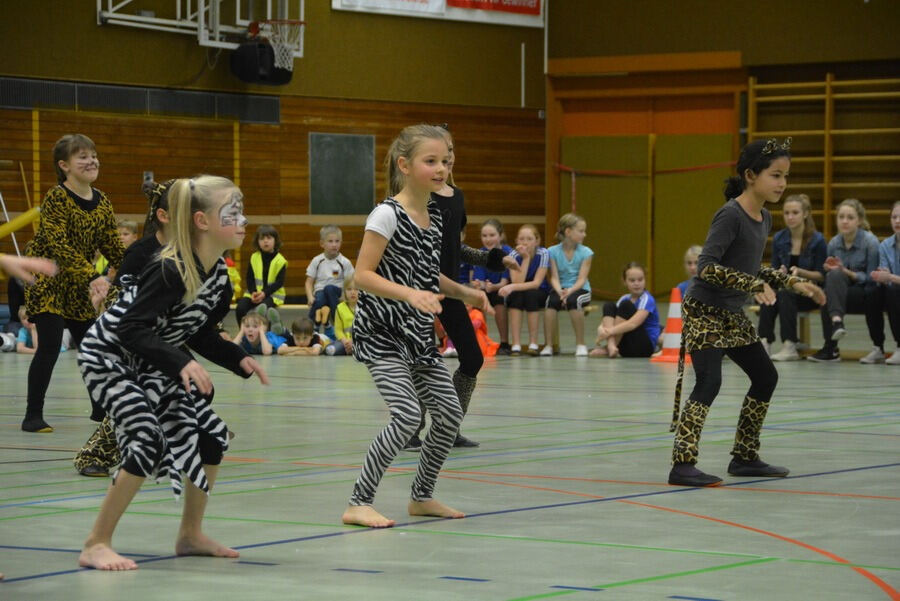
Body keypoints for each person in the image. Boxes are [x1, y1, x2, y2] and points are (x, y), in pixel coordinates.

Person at [76, 175, 268, 571]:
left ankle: (190, 535)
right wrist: (181, 361)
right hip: (109, 355)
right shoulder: (171, 269)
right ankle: (96, 543)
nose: (244, 220)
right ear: (201, 221)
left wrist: (237, 358)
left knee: (211, 438)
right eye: (233, 213)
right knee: (147, 438)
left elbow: (195, 330)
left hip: (149, 355)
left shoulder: (216, 276)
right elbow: (130, 328)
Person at [341, 124, 491, 528]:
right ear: (404, 165)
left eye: (445, 160)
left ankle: (421, 496)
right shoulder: (386, 215)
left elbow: (429, 275)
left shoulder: (435, 217)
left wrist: (465, 293)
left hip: (416, 337)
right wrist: (409, 295)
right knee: (407, 415)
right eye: (431, 161)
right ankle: (359, 501)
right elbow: (362, 275)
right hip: (381, 335)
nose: (441, 168)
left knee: (447, 412)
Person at [668, 137, 825, 487]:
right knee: (710, 382)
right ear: (751, 175)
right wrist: (752, 285)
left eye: (786, 176)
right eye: (775, 175)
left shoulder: (765, 217)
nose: (782, 183)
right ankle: (682, 464)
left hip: (731, 313)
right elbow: (706, 268)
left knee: (766, 377)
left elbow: (753, 268)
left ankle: (744, 456)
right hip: (705, 310)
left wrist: (793, 283)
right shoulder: (730, 215)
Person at [405, 125, 515, 450]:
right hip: (421, 292)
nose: (446, 158)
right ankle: (411, 428)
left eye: (450, 150)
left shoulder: (458, 197)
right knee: (423, 361)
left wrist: (493, 259)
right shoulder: (417, 199)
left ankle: (448, 428)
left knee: (472, 358)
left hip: (450, 291)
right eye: (438, 152)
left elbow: (454, 249)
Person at [22, 134, 126, 433]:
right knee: (51, 344)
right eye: (82, 156)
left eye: (93, 155)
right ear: (64, 165)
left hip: (79, 282)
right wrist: (93, 275)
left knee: (93, 346)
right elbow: (57, 243)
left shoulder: (102, 200)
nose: (91, 161)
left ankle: (99, 409)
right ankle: (33, 415)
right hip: (49, 278)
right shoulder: (56, 197)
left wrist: (138, 265)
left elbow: (111, 244)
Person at [75, 179, 175, 478]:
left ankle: (163, 446)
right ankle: (95, 455)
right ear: (163, 214)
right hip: (132, 332)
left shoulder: (184, 248)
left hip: (162, 331)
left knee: (184, 390)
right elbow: (121, 296)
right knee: (141, 394)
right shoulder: (142, 251)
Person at [807, 198, 882, 363]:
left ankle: (835, 344)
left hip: (865, 293)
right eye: (841, 217)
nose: (845, 221)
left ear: (859, 220)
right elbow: (832, 276)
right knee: (830, 283)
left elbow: (872, 277)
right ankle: (834, 336)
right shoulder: (834, 242)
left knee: (834, 289)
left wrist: (846, 272)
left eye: (850, 217)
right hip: (840, 294)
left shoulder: (871, 242)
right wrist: (830, 269)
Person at [756, 194, 827, 361]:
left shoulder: (818, 240)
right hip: (786, 290)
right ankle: (764, 341)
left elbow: (822, 275)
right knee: (770, 290)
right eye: (786, 213)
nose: (790, 217)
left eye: (795, 212)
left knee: (784, 293)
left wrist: (801, 272)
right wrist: (779, 272)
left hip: (810, 293)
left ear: (805, 214)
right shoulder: (780, 238)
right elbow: (773, 270)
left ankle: (789, 345)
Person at [543, 213, 593, 357]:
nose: (584, 234)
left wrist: (569, 292)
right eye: (581, 231)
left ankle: (580, 344)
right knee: (550, 302)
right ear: (568, 232)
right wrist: (560, 292)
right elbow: (554, 277)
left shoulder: (586, 253)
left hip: (580, 289)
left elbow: (582, 279)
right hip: (560, 288)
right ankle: (548, 345)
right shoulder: (552, 251)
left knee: (574, 301)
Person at [499, 224, 550, 356]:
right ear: (516, 241)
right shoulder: (513, 255)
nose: (525, 242)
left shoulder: (543, 253)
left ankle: (533, 343)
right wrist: (526, 258)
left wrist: (511, 286)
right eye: (521, 239)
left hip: (539, 291)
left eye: (529, 239)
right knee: (516, 296)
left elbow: (536, 283)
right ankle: (516, 343)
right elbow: (518, 281)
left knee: (530, 294)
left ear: (537, 241)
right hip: (519, 290)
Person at [591, 262, 661, 358]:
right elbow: (610, 318)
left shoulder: (647, 299)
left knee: (625, 306)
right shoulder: (624, 298)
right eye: (632, 280)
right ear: (625, 282)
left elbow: (633, 323)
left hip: (644, 347)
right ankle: (611, 346)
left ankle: (610, 347)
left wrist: (608, 331)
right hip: (626, 347)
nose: (637, 283)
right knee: (609, 305)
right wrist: (601, 329)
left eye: (640, 280)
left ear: (645, 280)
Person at [471, 218, 514, 355]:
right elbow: (478, 280)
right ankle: (480, 341)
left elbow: (505, 281)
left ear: (500, 236)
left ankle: (504, 342)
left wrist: (493, 287)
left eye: (492, 235)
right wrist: (481, 285)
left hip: (503, 289)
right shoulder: (480, 254)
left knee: (499, 301)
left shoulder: (508, 253)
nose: (488, 239)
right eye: (484, 236)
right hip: (488, 289)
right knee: (477, 300)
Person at [305, 225, 355, 338]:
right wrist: (309, 297)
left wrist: (344, 296)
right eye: (330, 241)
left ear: (341, 243)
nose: (334, 244)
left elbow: (350, 282)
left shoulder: (344, 262)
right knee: (320, 298)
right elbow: (309, 282)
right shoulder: (317, 260)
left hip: (337, 293)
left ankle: (336, 323)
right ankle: (309, 328)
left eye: (337, 241)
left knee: (329, 288)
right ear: (322, 243)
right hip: (320, 293)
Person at [235, 224, 286, 326]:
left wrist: (264, 293)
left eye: (269, 238)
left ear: (275, 240)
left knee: (263, 310)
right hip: (254, 293)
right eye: (262, 238)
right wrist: (253, 292)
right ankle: (243, 333)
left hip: (272, 295)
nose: (265, 241)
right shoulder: (254, 257)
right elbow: (249, 278)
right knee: (240, 308)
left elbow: (279, 283)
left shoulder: (281, 260)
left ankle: (265, 335)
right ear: (257, 241)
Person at [871, 201, 900, 365]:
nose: (897, 221)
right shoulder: (885, 245)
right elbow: (885, 273)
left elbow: (890, 277)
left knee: (893, 290)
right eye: (894, 217)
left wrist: (890, 278)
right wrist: (880, 276)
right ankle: (878, 347)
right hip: (894, 290)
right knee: (873, 293)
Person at [325, 276, 358, 356]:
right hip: (345, 341)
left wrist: (353, 341)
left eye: (356, 289)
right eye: (349, 289)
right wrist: (345, 341)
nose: (352, 292)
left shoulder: (365, 306)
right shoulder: (340, 308)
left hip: (360, 340)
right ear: (344, 292)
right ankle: (352, 350)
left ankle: (354, 349)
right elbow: (338, 330)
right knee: (330, 350)